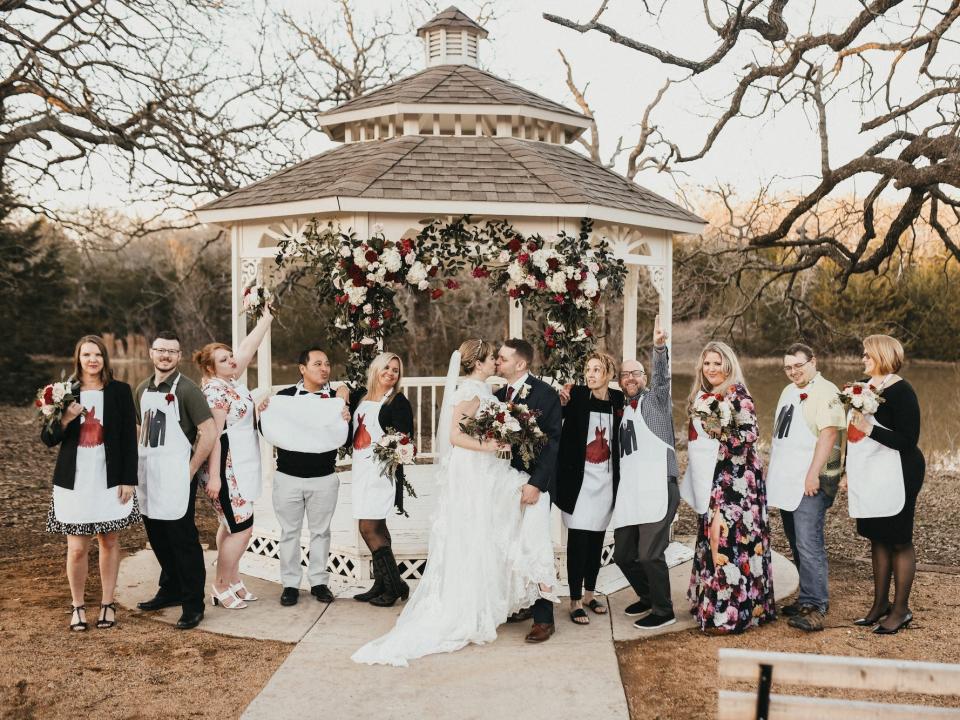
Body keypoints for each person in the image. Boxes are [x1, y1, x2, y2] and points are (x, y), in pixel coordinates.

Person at [352, 339, 557, 666]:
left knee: (497, 523)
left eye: (501, 359)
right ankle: (519, 590)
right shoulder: (471, 391)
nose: (497, 363)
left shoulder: (490, 390)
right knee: (481, 526)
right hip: (475, 468)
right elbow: (454, 437)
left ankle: (528, 591)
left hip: (488, 467)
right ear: (480, 363)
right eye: (493, 358)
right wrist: (492, 444)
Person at [42, 335, 141, 631]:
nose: (92, 360)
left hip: (109, 478)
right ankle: (78, 606)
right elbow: (47, 439)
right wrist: (65, 419)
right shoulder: (63, 393)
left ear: (104, 358)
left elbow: (128, 439)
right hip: (75, 480)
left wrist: (128, 479)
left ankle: (108, 604)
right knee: (76, 548)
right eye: (87, 355)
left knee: (109, 541)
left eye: (97, 354)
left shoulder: (120, 391)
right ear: (78, 359)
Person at [685, 341, 776, 634]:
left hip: (737, 479)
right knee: (711, 537)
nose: (711, 368)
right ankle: (709, 604)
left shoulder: (737, 394)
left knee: (727, 541)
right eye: (707, 363)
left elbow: (750, 435)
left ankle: (729, 613)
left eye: (717, 363)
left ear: (728, 365)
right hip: (714, 477)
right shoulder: (703, 395)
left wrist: (720, 432)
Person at [135, 330, 216, 630]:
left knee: (183, 542)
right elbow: (138, 429)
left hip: (177, 476)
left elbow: (208, 432)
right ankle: (169, 589)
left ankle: (193, 603)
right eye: (160, 350)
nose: (166, 356)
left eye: (172, 351)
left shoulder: (188, 390)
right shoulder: (141, 388)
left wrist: (191, 469)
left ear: (179, 356)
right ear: (151, 353)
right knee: (157, 537)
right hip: (149, 476)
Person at [259, 347, 350, 606]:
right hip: (288, 477)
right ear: (302, 368)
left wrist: (345, 406)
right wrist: (264, 410)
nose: (324, 368)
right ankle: (290, 584)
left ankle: (319, 582)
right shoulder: (284, 397)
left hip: (324, 477)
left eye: (327, 363)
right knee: (289, 532)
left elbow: (346, 434)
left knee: (321, 532)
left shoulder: (335, 399)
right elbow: (268, 429)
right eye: (318, 363)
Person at [194, 311, 273, 611]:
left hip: (239, 465)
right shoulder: (215, 390)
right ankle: (220, 586)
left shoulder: (231, 383)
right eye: (224, 359)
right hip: (224, 470)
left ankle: (234, 580)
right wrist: (214, 477)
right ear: (210, 367)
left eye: (230, 356)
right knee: (243, 528)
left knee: (230, 524)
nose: (232, 360)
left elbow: (247, 349)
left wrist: (265, 320)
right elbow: (214, 435)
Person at [846, 334, 925, 634]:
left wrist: (870, 429)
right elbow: (853, 437)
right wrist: (847, 472)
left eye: (867, 354)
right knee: (876, 536)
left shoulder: (902, 391)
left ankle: (901, 609)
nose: (863, 358)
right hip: (870, 471)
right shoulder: (863, 389)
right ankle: (880, 604)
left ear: (882, 356)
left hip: (901, 471)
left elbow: (908, 440)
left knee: (898, 538)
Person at [766, 343, 844, 632]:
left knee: (809, 543)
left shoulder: (826, 391)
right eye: (788, 367)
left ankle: (817, 604)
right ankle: (806, 597)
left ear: (813, 361)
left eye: (798, 365)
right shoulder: (788, 391)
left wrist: (813, 475)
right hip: (788, 480)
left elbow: (829, 434)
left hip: (810, 480)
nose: (793, 371)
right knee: (797, 541)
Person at [612, 317, 680, 630]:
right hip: (631, 492)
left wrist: (659, 347)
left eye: (635, 373)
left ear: (644, 376)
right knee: (625, 553)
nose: (630, 378)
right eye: (624, 375)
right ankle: (648, 595)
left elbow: (663, 378)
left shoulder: (656, 400)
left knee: (650, 554)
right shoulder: (620, 409)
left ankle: (664, 611)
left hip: (658, 487)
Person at [494, 338, 562, 643]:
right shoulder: (497, 397)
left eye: (503, 358)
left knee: (536, 545)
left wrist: (536, 483)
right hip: (503, 482)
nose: (497, 362)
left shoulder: (545, 395)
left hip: (532, 481)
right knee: (510, 543)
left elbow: (552, 443)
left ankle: (544, 616)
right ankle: (520, 602)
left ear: (520, 364)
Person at [557, 351, 622, 626]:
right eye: (588, 369)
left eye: (597, 369)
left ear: (609, 374)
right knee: (578, 539)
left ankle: (589, 594)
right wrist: (560, 400)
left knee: (597, 539)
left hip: (605, 481)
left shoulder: (618, 400)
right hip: (578, 481)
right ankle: (573, 600)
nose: (591, 374)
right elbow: (557, 411)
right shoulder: (577, 396)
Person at [348, 351, 415, 607]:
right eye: (386, 367)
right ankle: (383, 583)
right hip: (360, 468)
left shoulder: (397, 401)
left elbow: (405, 438)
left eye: (396, 370)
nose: (390, 373)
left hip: (381, 472)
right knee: (377, 528)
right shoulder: (361, 397)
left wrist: (394, 449)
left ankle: (394, 585)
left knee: (368, 527)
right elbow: (340, 393)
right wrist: (343, 392)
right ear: (376, 369)